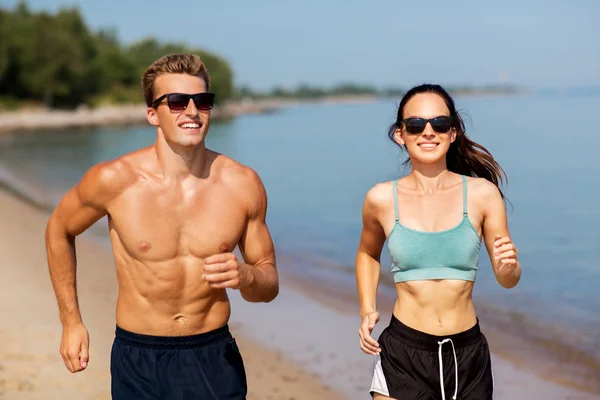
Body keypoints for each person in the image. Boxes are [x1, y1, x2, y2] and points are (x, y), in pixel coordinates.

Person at [44, 53, 279, 399]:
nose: (192, 111)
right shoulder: (115, 180)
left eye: (202, 101)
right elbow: (59, 230)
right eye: (177, 102)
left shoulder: (242, 184)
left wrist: (247, 276)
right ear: (153, 114)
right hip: (139, 357)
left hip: (213, 356)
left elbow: (269, 284)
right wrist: (71, 321)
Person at [355, 84, 521, 400]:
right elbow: (367, 253)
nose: (428, 132)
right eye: (416, 125)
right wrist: (367, 309)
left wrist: (508, 266)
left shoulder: (483, 195)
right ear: (400, 134)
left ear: (453, 132)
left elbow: (508, 279)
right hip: (404, 353)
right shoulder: (380, 199)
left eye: (439, 124)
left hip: (467, 355)